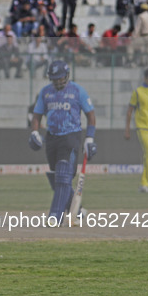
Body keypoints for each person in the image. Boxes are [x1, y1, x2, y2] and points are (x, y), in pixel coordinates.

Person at [29, 60, 97, 225]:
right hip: (52, 137)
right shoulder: (45, 93)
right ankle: (77, 211)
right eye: (54, 79)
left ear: (67, 75)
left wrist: (89, 137)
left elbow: (91, 115)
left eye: (60, 78)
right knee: (56, 176)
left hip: (71, 136)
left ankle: (55, 216)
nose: (58, 82)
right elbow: (37, 115)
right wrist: (35, 132)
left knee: (63, 176)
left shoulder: (78, 91)